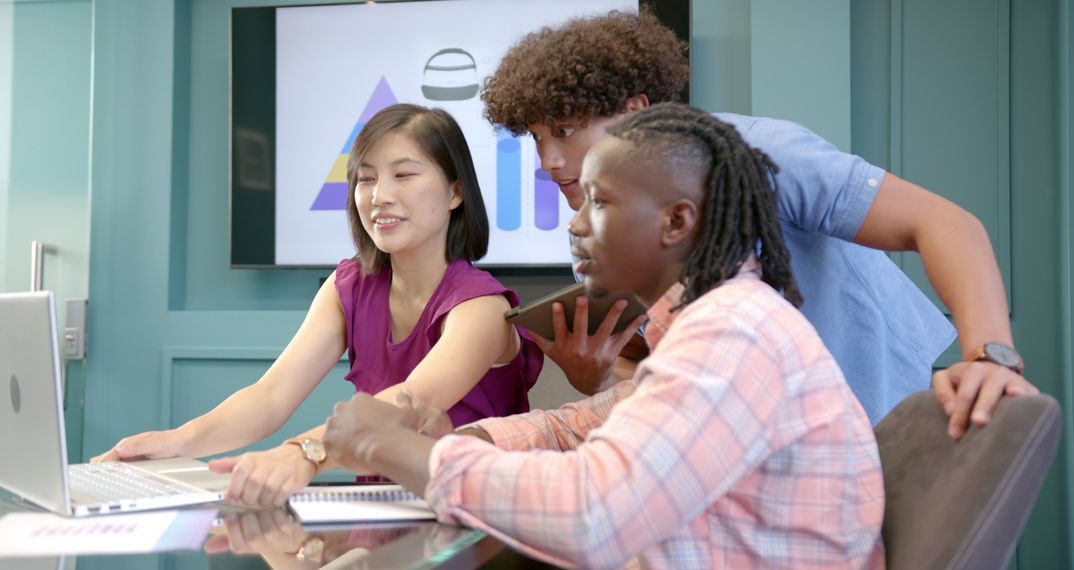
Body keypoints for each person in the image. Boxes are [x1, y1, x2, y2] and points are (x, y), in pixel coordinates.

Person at [321, 103, 886, 569]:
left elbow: (593, 514)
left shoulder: (733, 335)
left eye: (601, 202)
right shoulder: (709, 326)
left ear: (676, 222)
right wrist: (463, 444)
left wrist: (392, 448)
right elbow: (578, 426)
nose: (576, 224)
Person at [480, 9, 1035, 433]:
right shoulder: (597, 230)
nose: (548, 160)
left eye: (567, 129)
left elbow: (947, 224)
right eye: (536, 137)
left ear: (635, 110)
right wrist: (593, 374)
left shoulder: (760, 153)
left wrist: (990, 358)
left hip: (876, 414)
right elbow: (648, 371)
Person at [92, 103, 542, 507]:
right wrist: (177, 441)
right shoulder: (348, 285)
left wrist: (302, 454)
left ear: (455, 193)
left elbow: (409, 403)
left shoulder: (480, 306)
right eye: (366, 178)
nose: (379, 195)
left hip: (478, 524)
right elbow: (271, 397)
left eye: (404, 175)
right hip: (381, 517)